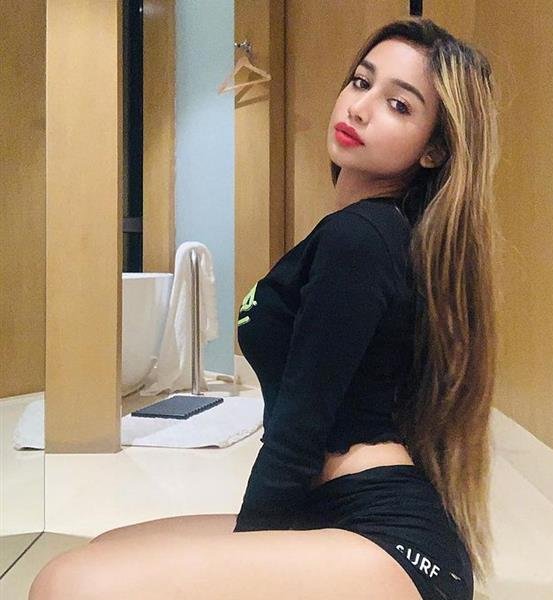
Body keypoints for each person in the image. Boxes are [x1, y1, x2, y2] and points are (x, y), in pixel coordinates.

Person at [29, 17, 500, 600]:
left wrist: (246, 549)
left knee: (69, 585)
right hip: (331, 514)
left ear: (434, 149)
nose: (359, 108)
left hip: (391, 545)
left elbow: (300, 429)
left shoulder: (361, 239)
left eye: (398, 105)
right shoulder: (366, 234)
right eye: (360, 82)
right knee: (102, 551)